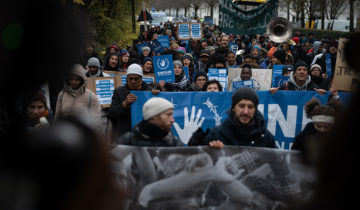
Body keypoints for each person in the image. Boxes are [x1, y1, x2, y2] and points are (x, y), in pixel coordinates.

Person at [190, 87, 276, 148]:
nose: (246, 112)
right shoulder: (217, 134)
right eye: (241, 106)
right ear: (234, 108)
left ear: (255, 109)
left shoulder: (266, 138)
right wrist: (209, 149)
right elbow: (195, 161)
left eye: (250, 107)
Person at [109, 64, 153, 138]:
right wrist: (124, 104)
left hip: (145, 134)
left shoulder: (150, 92)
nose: (133, 81)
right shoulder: (119, 92)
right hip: (125, 134)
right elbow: (112, 114)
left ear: (141, 78)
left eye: (136, 79)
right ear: (127, 78)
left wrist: (158, 95)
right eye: (130, 78)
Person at [117, 97, 183, 146]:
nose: (172, 120)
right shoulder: (127, 141)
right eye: (168, 115)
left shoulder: (175, 143)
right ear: (154, 116)